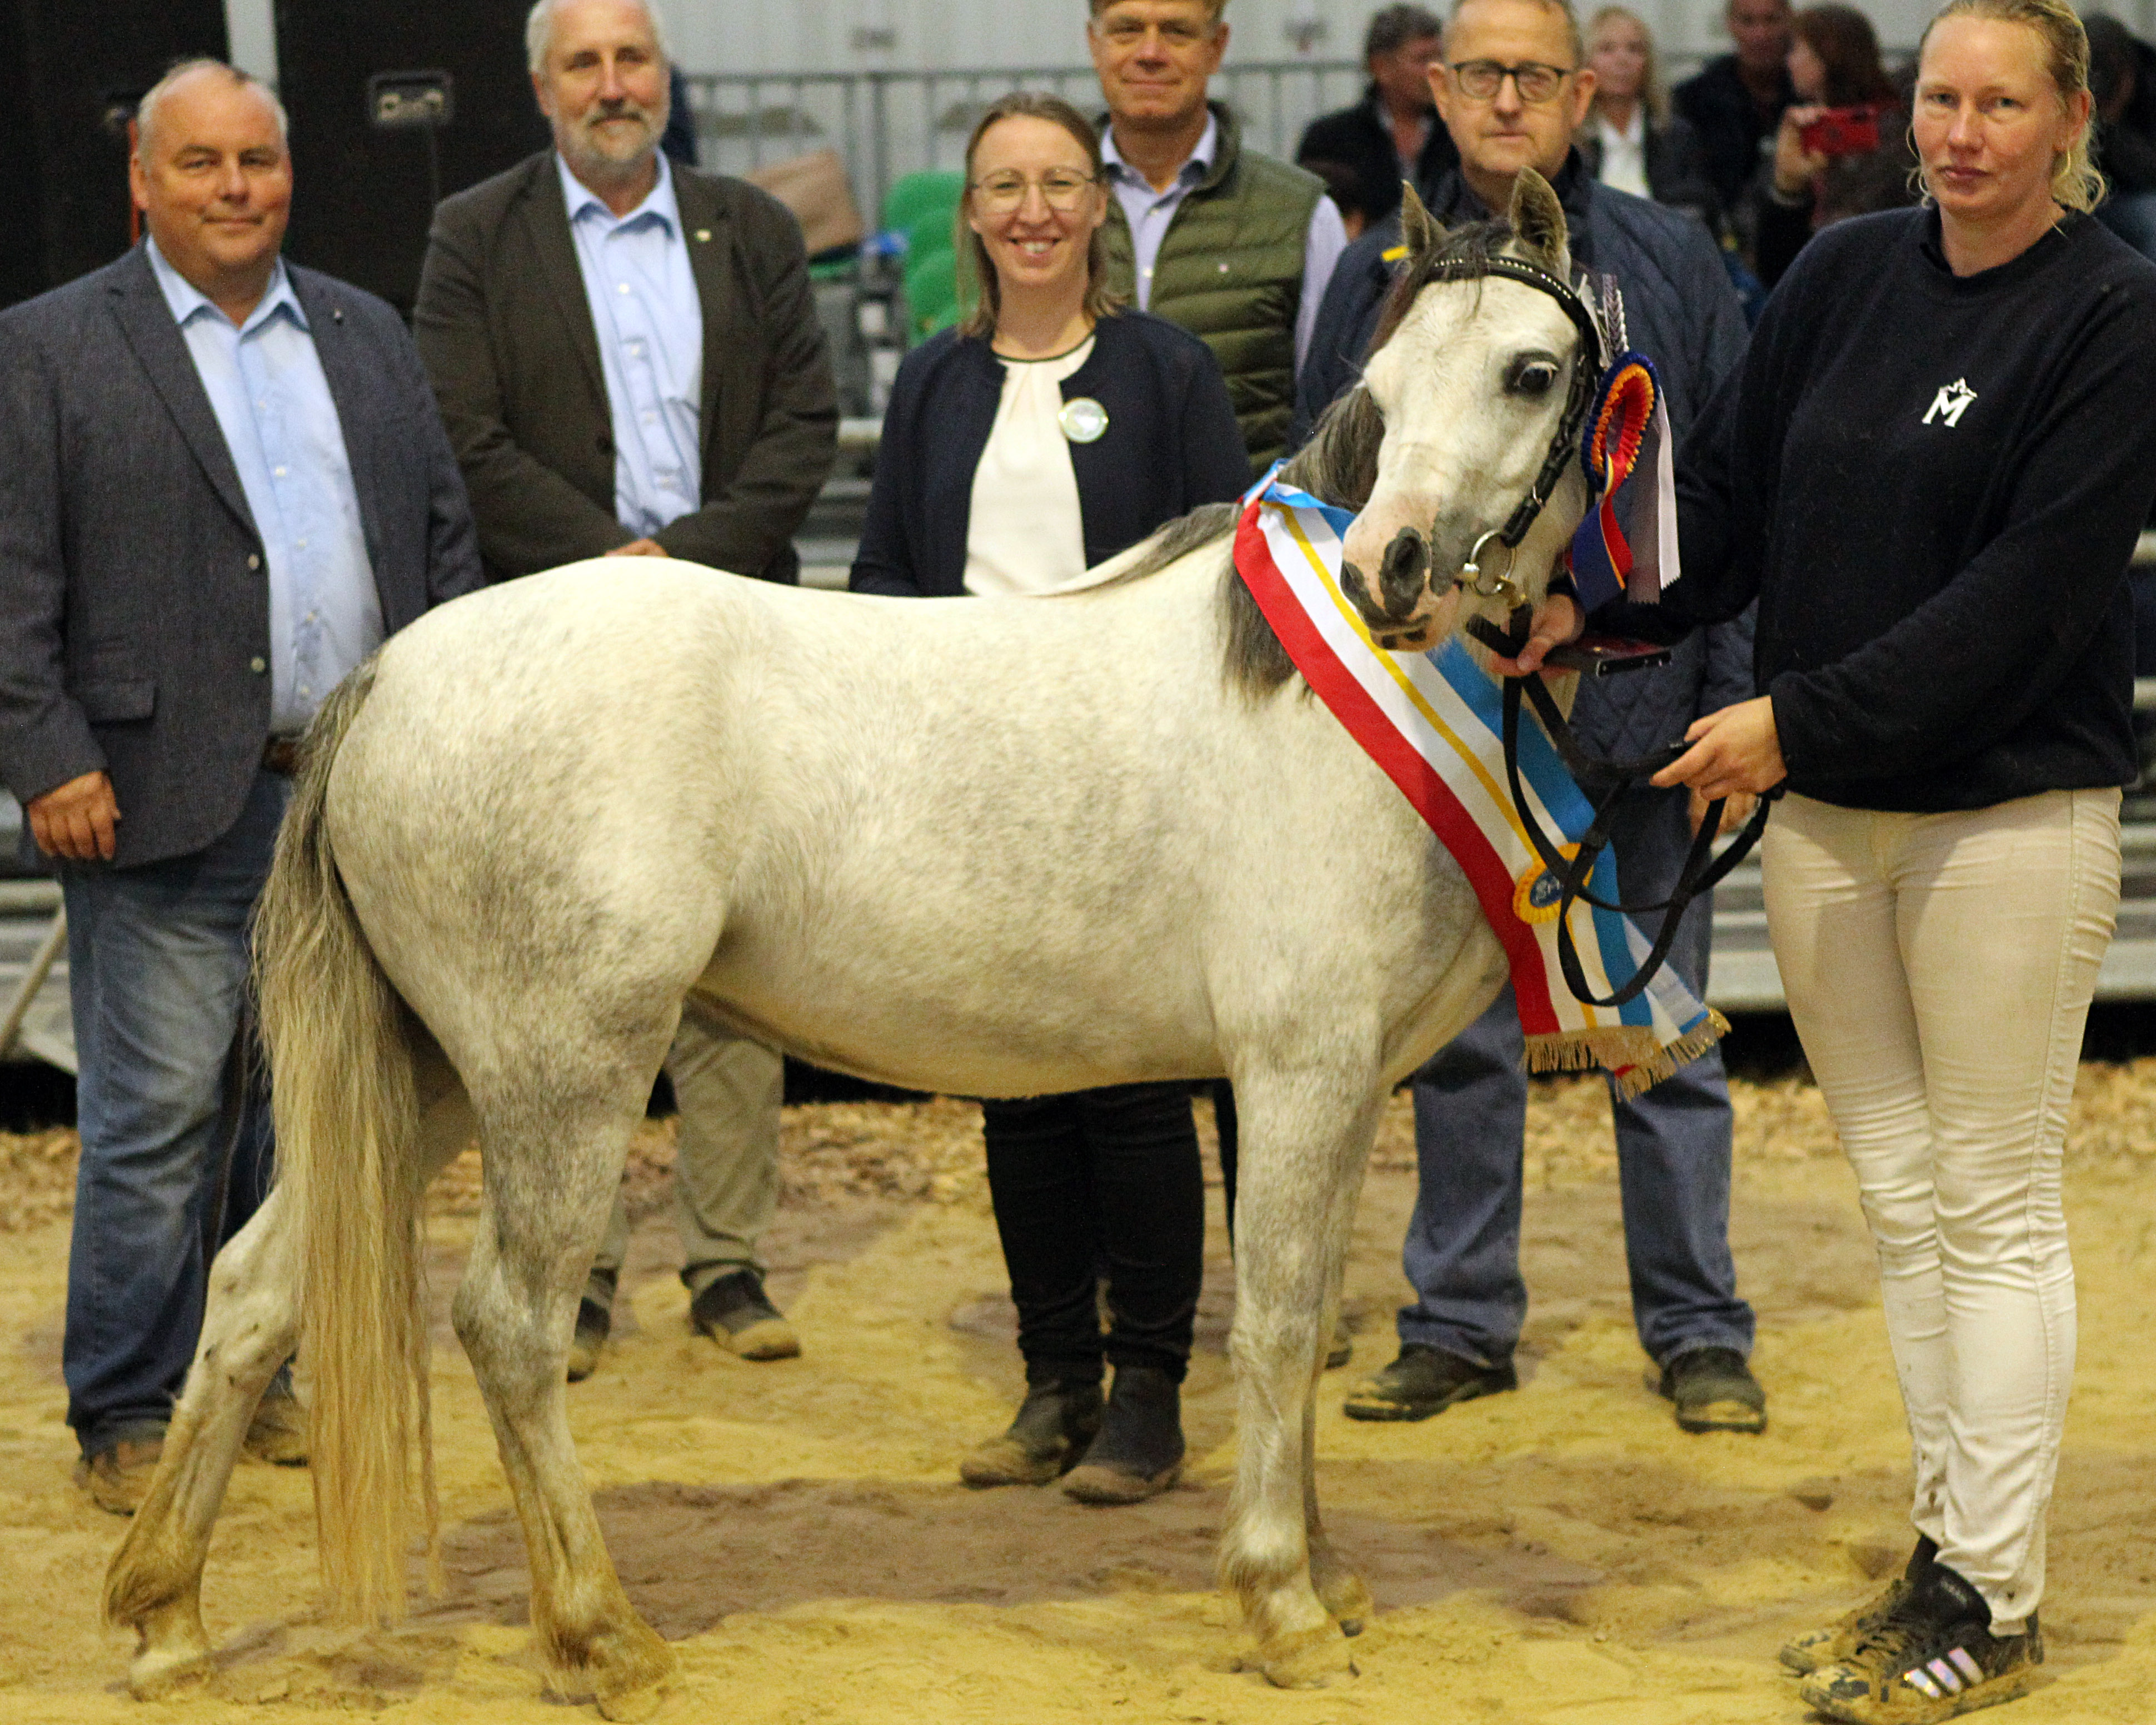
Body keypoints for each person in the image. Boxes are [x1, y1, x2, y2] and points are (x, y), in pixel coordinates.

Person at [1506, 1, 2156, 1715]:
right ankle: (1945, 1549)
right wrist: (1591, 607)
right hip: (1831, 826)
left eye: (2001, 102)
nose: (1960, 131)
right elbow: (1718, 505)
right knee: (1904, 1201)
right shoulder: (1845, 271)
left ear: (2069, 114)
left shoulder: (2114, 315)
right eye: (1941, 97)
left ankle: (1997, 1593)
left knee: (1998, 1201)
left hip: (2005, 816)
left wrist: (1792, 723)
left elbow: (2020, 607)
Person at [0, 59, 481, 1513]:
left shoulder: (366, 331)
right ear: (141, 182)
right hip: (146, 796)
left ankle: (254, 1378)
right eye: (201, 165)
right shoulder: (49, 345)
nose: (235, 190)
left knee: (307, 1120)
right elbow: (10, 578)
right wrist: (49, 751)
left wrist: (450, 729)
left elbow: (442, 543)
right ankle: (128, 1407)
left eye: (257, 161)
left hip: (352, 803)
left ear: (291, 171)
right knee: (155, 1127)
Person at [1292, 0, 1765, 1437]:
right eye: (1481, 74)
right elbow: (1325, 487)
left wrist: (1740, 687)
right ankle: (1458, 1318)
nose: (1508, 98)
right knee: (1457, 1040)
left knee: (1663, 1037)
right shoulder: (1382, 271)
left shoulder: (1675, 259)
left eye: (1536, 75)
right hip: (1449, 725)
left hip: (1650, 708)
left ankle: (1695, 1325)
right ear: (1434, 89)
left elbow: (1741, 497)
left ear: (1585, 92)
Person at [413, 0, 839, 1375]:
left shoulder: (753, 227)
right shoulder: (474, 235)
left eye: (633, 59)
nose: (613, 85)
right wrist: (612, 568)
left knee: (742, 950)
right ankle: (573, 1266)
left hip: (734, 639)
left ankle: (728, 1263)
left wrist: (684, 567)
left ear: (666, 77)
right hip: (561, 644)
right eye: (584, 64)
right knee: (568, 965)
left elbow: (805, 426)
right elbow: (459, 431)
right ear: (540, 89)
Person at [851, 93, 1248, 1504]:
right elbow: (885, 583)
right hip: (975, 793)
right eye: (1002, 186)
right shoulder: (934, 386)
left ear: (1095, 210)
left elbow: (1232, 577)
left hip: (1137, 796)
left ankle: (1148, 1392)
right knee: (1016, 1096)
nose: (1030, 209)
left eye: (1057, 184)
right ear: (970, 213)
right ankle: (1051, 1384)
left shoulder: (1166, 368)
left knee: (1136, 1092)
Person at [1086, 0, 1349, 471]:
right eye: (1127, 30)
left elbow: (1332, 414)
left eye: (1176, 32)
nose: (1150, 53)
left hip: (1240, 535)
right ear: (1094, 43)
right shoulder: (1044, 216)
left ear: (1217, 47)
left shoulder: (1303, 216)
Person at [1754, 4, 1914, 287]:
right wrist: (1787, 186)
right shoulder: (1801, 123)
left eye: (1797, 50)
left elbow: (1854, 236)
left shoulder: (1891, 130)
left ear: (1828, 55)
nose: (1789, 61)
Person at [1296, 6, 1461, 234]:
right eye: (1422, 59)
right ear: (1381, 67)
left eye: (1441, 57)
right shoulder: (1329, 140)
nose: (1436, 69)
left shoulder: (1459, 134)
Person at [1580, 6, 1721, 230]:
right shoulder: (1570, 141)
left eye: (1634, 49)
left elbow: (1699, 210)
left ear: (1648, 63)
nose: (1622, 60)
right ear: (1585, 64)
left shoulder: (1676, 136)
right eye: (1607, 49)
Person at [1674, 0, 1797, 219]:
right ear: (1730, 25)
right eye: (1747, 21)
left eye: (1771, 20)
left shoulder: (1811, 95)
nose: (1760, 35)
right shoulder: (1692, 100)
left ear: (1789, 22)